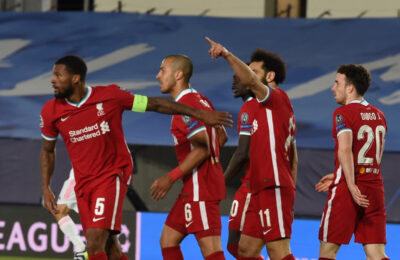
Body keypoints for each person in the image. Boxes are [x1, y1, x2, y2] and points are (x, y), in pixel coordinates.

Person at [40, 55, 232, 260]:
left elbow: (155, 105)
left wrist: (199, 115)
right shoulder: (51, 111)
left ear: (76, 78)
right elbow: (48, 150)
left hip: (111, 176)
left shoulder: (110, 96)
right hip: (83, 182)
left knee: (94, 240)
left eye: (58, 75)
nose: (53, 79)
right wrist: (46, 186)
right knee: (117, 247)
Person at [205, 37, 298, 260]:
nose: (247, 76)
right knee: (244, 250)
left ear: (270, 76)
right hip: (260, 188)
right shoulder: (260, 107)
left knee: (278, 251)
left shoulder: (275, 98)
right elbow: (294, 157)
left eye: (253, 71)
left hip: (273, 185)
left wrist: (226, 54)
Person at [150, 54, 227, 260]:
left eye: (162, 70)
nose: (157, 75)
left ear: (178, 74)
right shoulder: (201, 99)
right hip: (194, 186)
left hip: (201, 187)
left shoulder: (187, 106)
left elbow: (203, 148)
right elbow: (221, 136)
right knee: (168, 239)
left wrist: (170, 177)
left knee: (211, 249)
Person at [318, 64, 390, 260]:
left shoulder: (343, 114)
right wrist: (338, 172)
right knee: (376, 254)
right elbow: (367, 156)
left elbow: (345, 149)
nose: (333, 88)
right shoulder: (380, 115)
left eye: (337, 83)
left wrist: (349, 182)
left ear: (350, 88)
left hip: (348, 191)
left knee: (327, 251)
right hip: (374, 189)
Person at [223, 72, 262, 259]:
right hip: (258, 185)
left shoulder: (249, 108)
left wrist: (220, 182)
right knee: (244, 248)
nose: (234, 82)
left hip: (251, 187)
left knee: (236, 246)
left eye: (238, 78)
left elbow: (242, 153)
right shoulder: (264, 107)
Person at [54, 168, 87, 260]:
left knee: (60, 211)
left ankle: (81, 248)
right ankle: (82, 249)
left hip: (81, 173)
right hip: (102, 178)